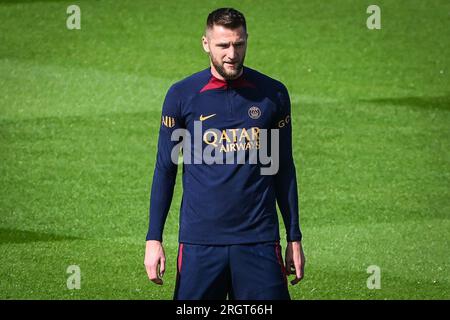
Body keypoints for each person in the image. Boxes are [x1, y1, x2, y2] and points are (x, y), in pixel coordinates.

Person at [144, 7, 305, 300]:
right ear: (206, 44)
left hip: (259, 241)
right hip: (199, 244)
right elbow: (165, 169)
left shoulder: (273, 94)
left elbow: (283, 168)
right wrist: (153, 238)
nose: (232, 53)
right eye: (223, 45)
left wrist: (294, 236)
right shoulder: (182, 95)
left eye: (239, 44)